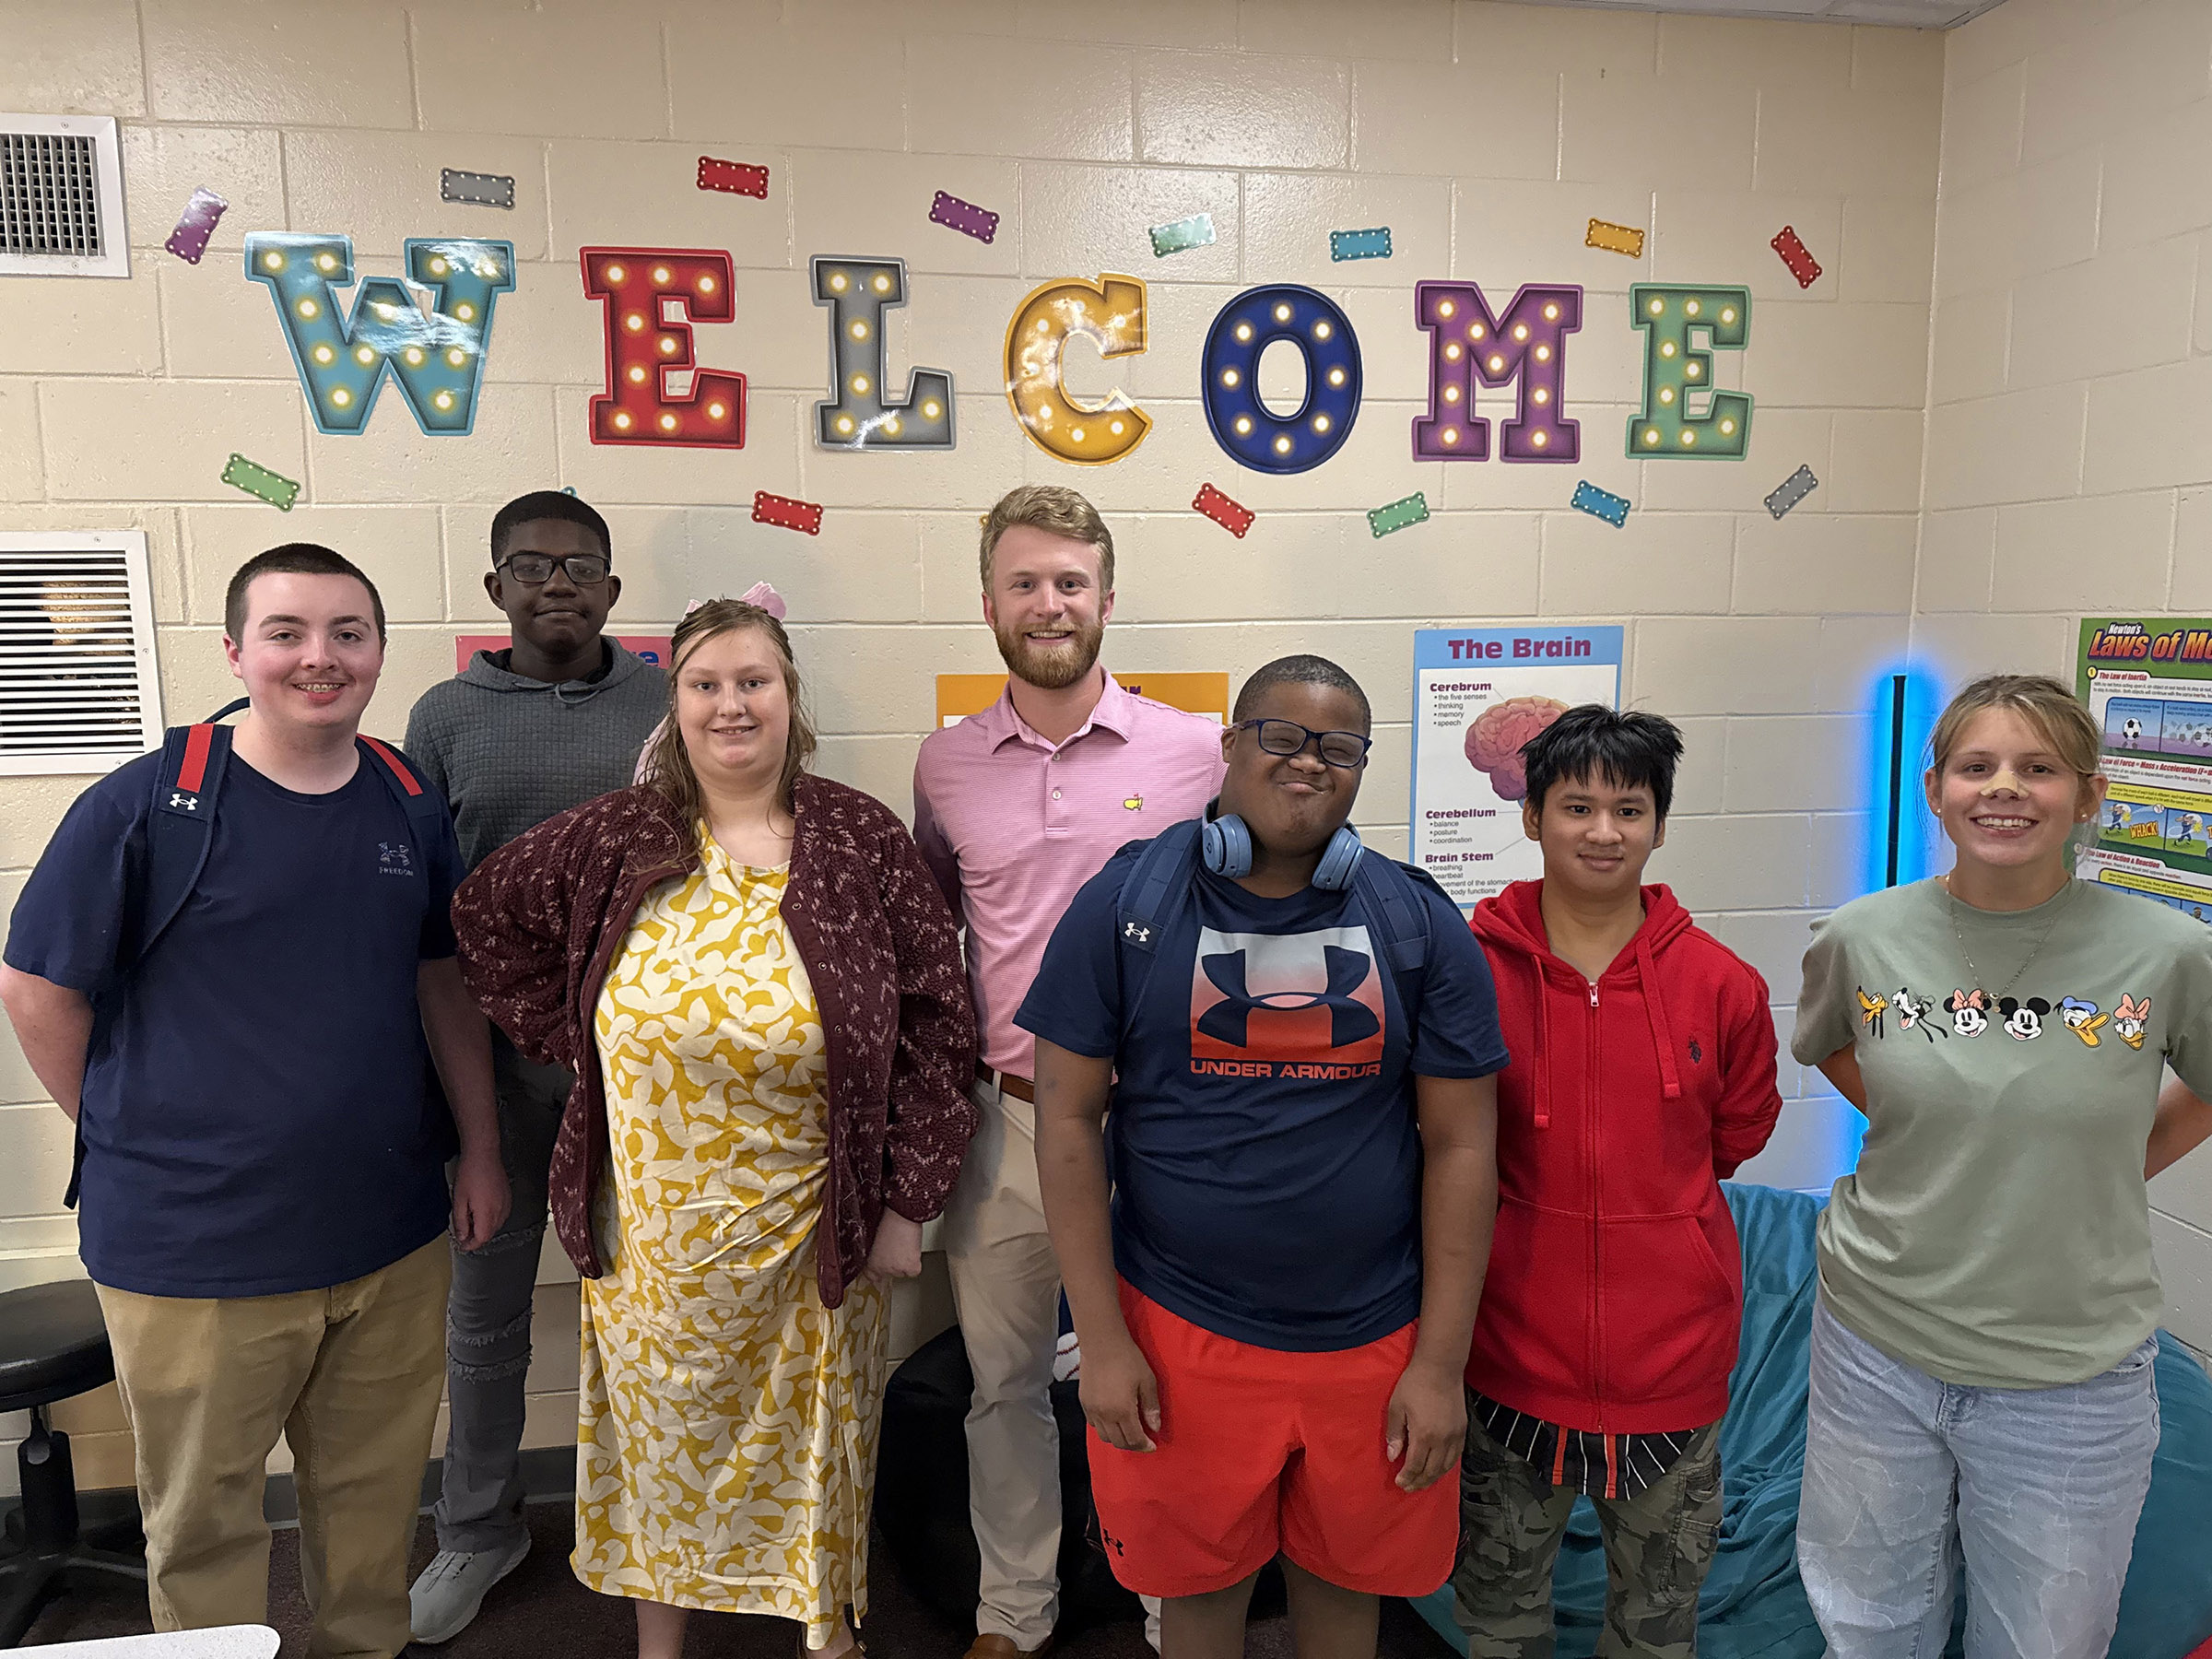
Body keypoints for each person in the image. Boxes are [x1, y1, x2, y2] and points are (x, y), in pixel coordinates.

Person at [0, 545, 507, 1659]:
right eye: (286, 633)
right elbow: (35, 986)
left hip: (388, 1234)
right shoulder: (150, 803)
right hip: (195, 1253)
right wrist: (132, 1136)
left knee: (374, 1518)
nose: (318, 658)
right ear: (236, 651)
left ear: (378, 653)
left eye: (348, 633)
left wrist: (480, 1148)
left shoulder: (406, 799)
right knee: (207, 1527)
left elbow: (442, 981)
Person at [451, 597, 978, 1659]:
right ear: (674, 702)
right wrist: (581, 1036)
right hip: (653, 1238)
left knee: (817, 1440)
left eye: (754, 682)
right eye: (706, 685)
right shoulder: (619, 833)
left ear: (791, 699)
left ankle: (826, 1630)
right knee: (662, 1445)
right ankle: (664, 1644)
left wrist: (909, 1201)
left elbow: (939, 1020)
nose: (730, 704)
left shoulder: (858, 835)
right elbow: (484, 917)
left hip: (816, 1227)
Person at [1024, 654, 1507, 1659]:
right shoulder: (1129, 905)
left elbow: (1464, 1143)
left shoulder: (1417, 922)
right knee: (1199, 1598)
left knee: (1345, 1594)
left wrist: (1440, 1365)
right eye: (1281, 736)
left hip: (1373, 1338)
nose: (1307, 762)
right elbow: (1067, 1123)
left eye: (1338, 747)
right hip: (1179, 1330)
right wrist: (1103, 1343)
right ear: (1232, 746)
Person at [1792, 673, 2212, 1659]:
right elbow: (1837, 1052)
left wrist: (2117, 1157)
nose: (2004, 788)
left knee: (2043, 1641)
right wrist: (1954, 1132)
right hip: (1875, 1339)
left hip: (2068, 1370)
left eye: (2038, 768)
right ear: (1935, 788)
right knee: (1865, 1619)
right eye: (1976, 767)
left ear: (2088, 795)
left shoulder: (2168, 952)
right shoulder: (1861, 936)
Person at [912, 485, 1224, 1659]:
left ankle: (1165, 1606)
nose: (1050, 604)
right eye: (1026, 583)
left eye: (1071, 583)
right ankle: (1014, 1611)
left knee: (1161, 1382)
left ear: (1106, 598)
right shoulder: (944, 766)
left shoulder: (1197, 754)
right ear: (987, 600)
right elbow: (945, 931)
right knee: (1002, 1390)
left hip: (1159, 1132)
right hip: (1008, 1128)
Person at [1454, 706, 1782, 1658]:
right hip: (1508, 1358)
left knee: (1655, 1631)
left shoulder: (1724, 986)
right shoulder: (1468, 972)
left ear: (1660, 825)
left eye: (1629, 810)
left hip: (1671, 1374)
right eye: (1578, 806)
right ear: (1533, 818)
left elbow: (1738, 1135)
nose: (1604, 832)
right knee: (1499, 1621)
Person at [401, 490, 666, 1644]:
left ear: (613, 590)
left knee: (660, 1313)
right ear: (496, 589)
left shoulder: (669, 702)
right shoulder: (445, 715)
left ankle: (668, 1524)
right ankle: (477, 1528)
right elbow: (422, 914)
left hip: (650, 1076)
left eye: (580, 567)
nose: (556, 583)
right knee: (485, 1315)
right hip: (496, 1076)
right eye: (531, 566)